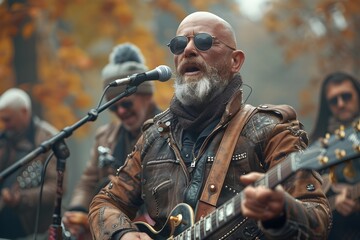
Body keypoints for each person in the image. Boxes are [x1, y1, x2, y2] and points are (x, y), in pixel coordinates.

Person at [88, 11, 331, 240]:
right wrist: (122, 233)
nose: (189, 50)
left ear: (235, 61)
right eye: (179, 45)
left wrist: (283, 212)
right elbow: (105, 202)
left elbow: (318, 218)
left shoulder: (271, 131)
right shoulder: (155, 136)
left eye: (204, 42)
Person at [62, 43, 161, 239]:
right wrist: (78, 210)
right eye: (114, 108)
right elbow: (88, 181)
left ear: (147, 96)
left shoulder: (168, 130)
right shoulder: (104, 136)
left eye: (126, 103)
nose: (121, 112)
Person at [0, 88, 59, 239]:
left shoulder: (49, 139)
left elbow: (55, 188)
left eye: (8, 119)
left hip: (32, 230)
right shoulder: (4, 139)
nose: (5, 124)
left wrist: (22, 198)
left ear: (24, 112)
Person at [309, 71, 360, 240]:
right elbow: (304, 200)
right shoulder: (317, 146)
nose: (340, 104)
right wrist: (333, 203)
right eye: (333, 100)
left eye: (346, 96)